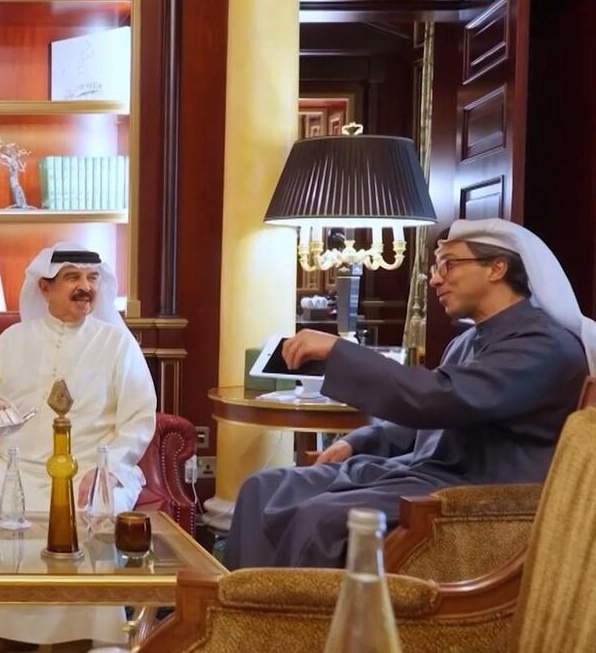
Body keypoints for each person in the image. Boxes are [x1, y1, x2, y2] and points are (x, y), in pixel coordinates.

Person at [225, 218, 594, 570]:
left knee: (318, 517)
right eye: (435, 266)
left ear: (496, 268)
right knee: (263, 487)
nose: (435, 279)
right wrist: (359, 441)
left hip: (477, 490)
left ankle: (291, 614)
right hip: (426, 471)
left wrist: (338, 350)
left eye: (448, 264)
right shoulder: (468, 341)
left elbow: (440, 398)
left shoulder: (542, 346)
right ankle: (236, 608)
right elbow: (438, 420)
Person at [0, 243, 157, 653]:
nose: (85, 287)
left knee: (95, 508)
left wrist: (110, 468)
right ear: (45, 288)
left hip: (90, 467)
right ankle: (4, 632)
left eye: (92, 278)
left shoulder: (117, 344)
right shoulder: (14, 340)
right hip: (13, 464)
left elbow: (139, 418)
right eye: (73, 278)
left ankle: (78, 635)